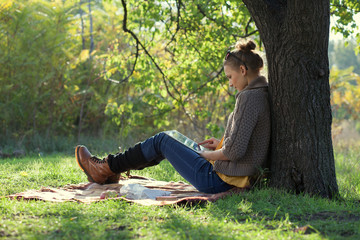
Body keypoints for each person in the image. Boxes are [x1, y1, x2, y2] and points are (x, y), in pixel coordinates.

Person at [75, 40, 271, 194]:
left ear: (243, 71)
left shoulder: (248, 97)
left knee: (163, 140)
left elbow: (233, 152)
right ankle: (109, 170)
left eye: (229, 77)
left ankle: (106, 168)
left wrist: (203, 155)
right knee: (171, 137)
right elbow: (244, 144)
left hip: (219, 180)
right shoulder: (260, 93)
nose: (229, 83)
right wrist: (220, 144)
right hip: (228, 177)